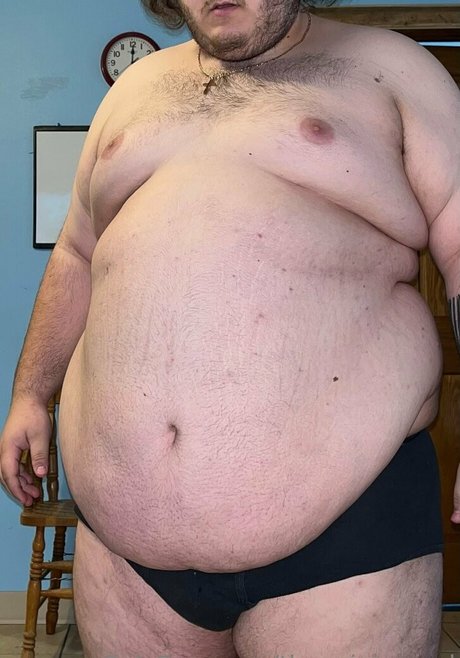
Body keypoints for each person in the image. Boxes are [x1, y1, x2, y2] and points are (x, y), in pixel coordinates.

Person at [1, 0, 460, 655]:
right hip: (124, 550)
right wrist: (29, 393)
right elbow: (76, 253)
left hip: (344, 530)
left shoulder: (393, 70)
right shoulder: (131, 91)